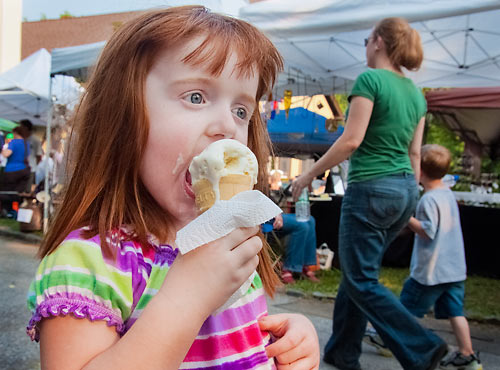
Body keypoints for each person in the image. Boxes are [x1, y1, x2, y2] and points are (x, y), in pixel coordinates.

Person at [25, 7, 319, 370]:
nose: (227, 125)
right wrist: (190, 296)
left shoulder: (229, 245)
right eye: (196, 97)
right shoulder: (91, 263)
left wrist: (288, 340)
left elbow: (234, 341)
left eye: (242, 110)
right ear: (124, 116)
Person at [292, 17, 448, 370]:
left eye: (367, 39)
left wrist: (307, 177)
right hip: (406, 188)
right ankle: (343, 353)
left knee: (361, 278)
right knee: (359, 274)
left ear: (378, 41)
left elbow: (351, 140)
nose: (365, 46)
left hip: (372, 188)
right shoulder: (415, 94)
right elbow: (414, 153)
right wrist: (410, 194)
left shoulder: (370, 80)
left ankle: (423, 347)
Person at [364, 145, 482, 370]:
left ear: (419, 169)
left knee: (404, 308)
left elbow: (428, 230)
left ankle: (387, 337)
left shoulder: (428, 200)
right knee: (456, 312)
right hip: (454, 270)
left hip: (431, 271)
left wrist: (406, 217)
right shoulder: (447, 192)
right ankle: (468, 355)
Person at [269, 170, 319, 284]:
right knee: (301, 225)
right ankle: (289, 267)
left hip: (274, 213)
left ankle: (304, 264)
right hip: (265, 217)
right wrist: (275, 212)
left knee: (310, 220)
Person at [0, 125, 30, 216]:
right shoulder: (26, 143)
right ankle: (17, 210)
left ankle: (8, 210)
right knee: (18, 192)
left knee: (7, 191)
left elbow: (7, 154)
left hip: (11, 170)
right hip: (24, 170)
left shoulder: (14, 142)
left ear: (16, 133)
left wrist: (2, 150)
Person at [19, 119, 42, 192]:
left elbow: (39, 156)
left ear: (25, 128)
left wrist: (34, 165)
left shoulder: (35, 140)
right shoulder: (22, 139)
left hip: (30, 169)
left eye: (21, 126)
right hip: (20, 168)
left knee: (27, 190)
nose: (20, 128)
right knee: (20, 190)